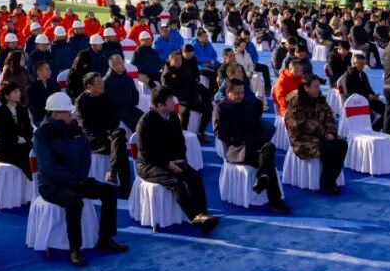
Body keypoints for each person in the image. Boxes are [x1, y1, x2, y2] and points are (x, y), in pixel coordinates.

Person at [33, 92, 128, 267]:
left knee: (108, 191)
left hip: (77, 180)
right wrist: (73, 179)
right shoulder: (42, 135)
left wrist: (81, 176)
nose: (72, 115)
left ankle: (106, 238)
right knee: (74, 201)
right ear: (55, 114)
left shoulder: (75, 129)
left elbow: (86, 154)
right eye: (68, 113)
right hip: (53, 186)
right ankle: (75, 248)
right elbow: (49, 166)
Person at [135, 87, 220, 233]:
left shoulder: (173, 117)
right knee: (176, 184)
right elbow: (146, 152)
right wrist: (168, 164)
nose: (173, 103)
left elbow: (180, 143)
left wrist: (181, 160)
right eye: (169, 101)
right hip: (150, 165)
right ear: (160, 105)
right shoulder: (145, 122)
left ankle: (204, 213)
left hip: (172, 160)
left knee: (194, 176)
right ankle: (196, 217)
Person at [214, 79, 290, 213]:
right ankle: (274, 199)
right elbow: (220, 134)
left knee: (269, 147)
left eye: (242, 92)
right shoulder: (221, 108)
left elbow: (257, 125)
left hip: (254, 143)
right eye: (237, 93)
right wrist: (239, 133)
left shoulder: (247, 105)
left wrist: (257, 138)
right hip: (237, 147)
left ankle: (262, 178)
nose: (240, 96)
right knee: (268, 164)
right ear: (228, 92)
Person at [284, 74, 348, 194]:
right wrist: (324, 133)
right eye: (315, 87)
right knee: (328, 148)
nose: (318, 89)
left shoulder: (320, 100)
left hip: (321, 135)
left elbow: (330, 118)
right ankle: (328, 183)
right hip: (303, 138)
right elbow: (301, 125)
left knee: (342, 145)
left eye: (318, 86)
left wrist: (331, 132)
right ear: (306, 88)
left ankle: (330, 178)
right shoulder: (296, 102)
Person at [74, 72, 132, 197]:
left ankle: (112, 172)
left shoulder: (106, 96)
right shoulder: (81, 101)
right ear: (89, 86)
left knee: (119, 135)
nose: (102, 85)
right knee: (120, 146)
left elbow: (114, 117)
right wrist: (105, 135)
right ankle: (125, 188)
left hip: (111, 134)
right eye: (99, 83)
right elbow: (86, 127)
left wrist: (110, 133)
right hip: (94, 138)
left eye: (102, 82)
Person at [0, 80, 34, 178]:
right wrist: (18, 139)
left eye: (18, 91)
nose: (19, 93)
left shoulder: (22, 109)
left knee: (35, 151)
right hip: (5, 147)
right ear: (6, 96)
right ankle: (31, 183)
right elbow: (2, 135)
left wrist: (25, 138)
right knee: (24, 157)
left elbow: (28, 129)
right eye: (15, 92)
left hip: (23, 145)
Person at [337, 52, 385, 131]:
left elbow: (368, 88)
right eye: (361, 64)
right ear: (354, 63)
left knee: (386, 110)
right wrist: (367, 96)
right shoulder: (347, 76)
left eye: (364, 63)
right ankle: (366, 130)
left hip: (367, 100)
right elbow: (349, 93)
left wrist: (374, 95)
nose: (363, 66)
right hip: (356, 102)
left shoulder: (363, 75)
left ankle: (374, 129)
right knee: (370, 115)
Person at [105, 55, 143, 131]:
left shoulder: (127, 78)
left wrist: (133, 102)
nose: (123, 64)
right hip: (118, 111)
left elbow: (135, 92)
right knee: (136, 125)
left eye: (122, 62)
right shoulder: (107, 82)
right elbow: (106, 100)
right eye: (119, 63)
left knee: (146, 119)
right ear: (113, 66)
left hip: (130, 107)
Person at [27, 60, 59, 126]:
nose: (50, 71)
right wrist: (49, 117)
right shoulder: (31, 89)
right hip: (42, 120)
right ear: (39, 72)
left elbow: (59, 100)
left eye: (49, 68)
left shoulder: (54, 85)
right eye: (47, 69)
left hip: (57, 116)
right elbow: (34, 110)